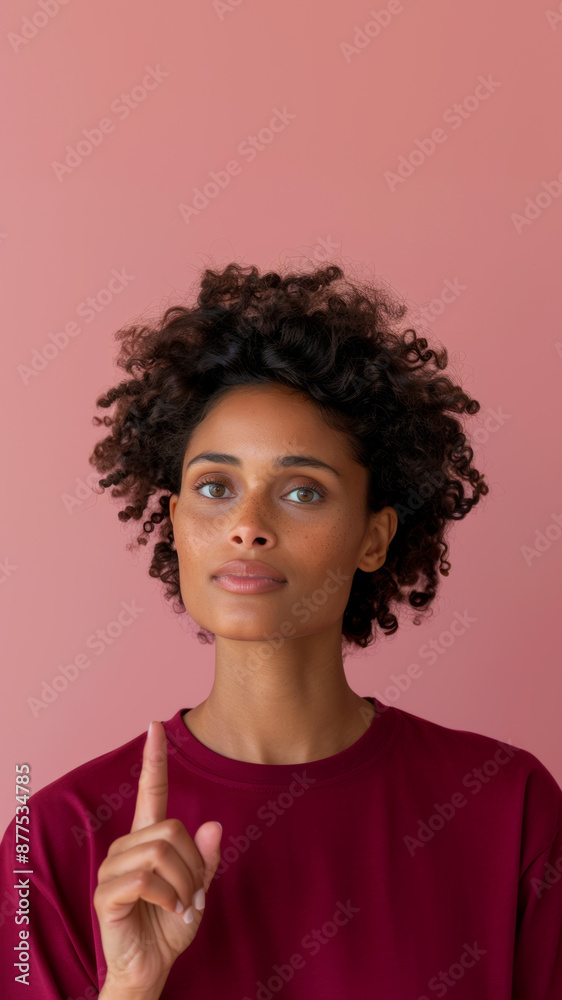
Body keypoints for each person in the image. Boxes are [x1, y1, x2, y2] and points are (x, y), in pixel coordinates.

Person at [0, 262, 561, 999]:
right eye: (214, 487)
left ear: (374, 537)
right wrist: (130, 987)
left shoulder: (507, 806)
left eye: (302, 491)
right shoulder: (48, 840)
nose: (247, 527)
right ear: (174, 524)